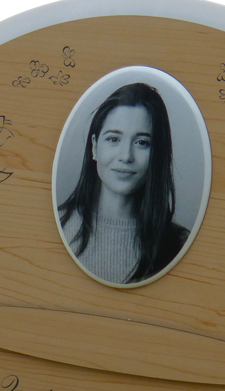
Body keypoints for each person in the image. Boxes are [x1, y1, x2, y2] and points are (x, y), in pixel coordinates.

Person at [58, 83, 189, 284]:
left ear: (158, 154)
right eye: (113, 139)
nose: (126, 156)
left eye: (142, 142)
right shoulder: (58, 225)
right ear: (94, 146)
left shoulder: (179, 244)